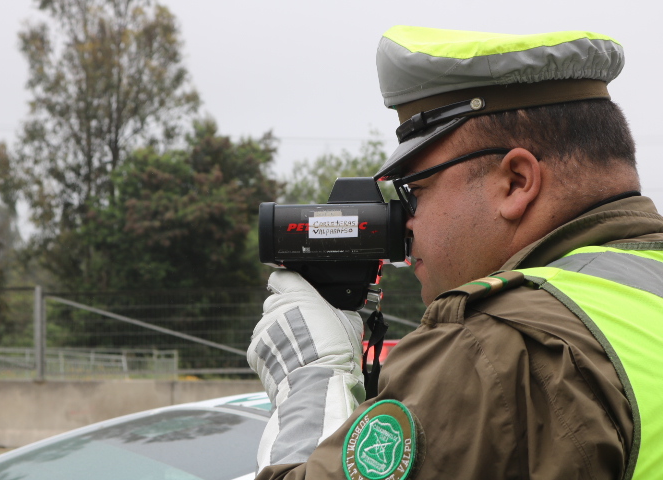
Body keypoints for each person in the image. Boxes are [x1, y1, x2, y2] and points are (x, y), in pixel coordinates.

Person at [248, 26, 663, 479]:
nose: (405, 221)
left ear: (516, 182)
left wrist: (312, 380)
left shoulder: (500, 350)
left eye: (415, 191)